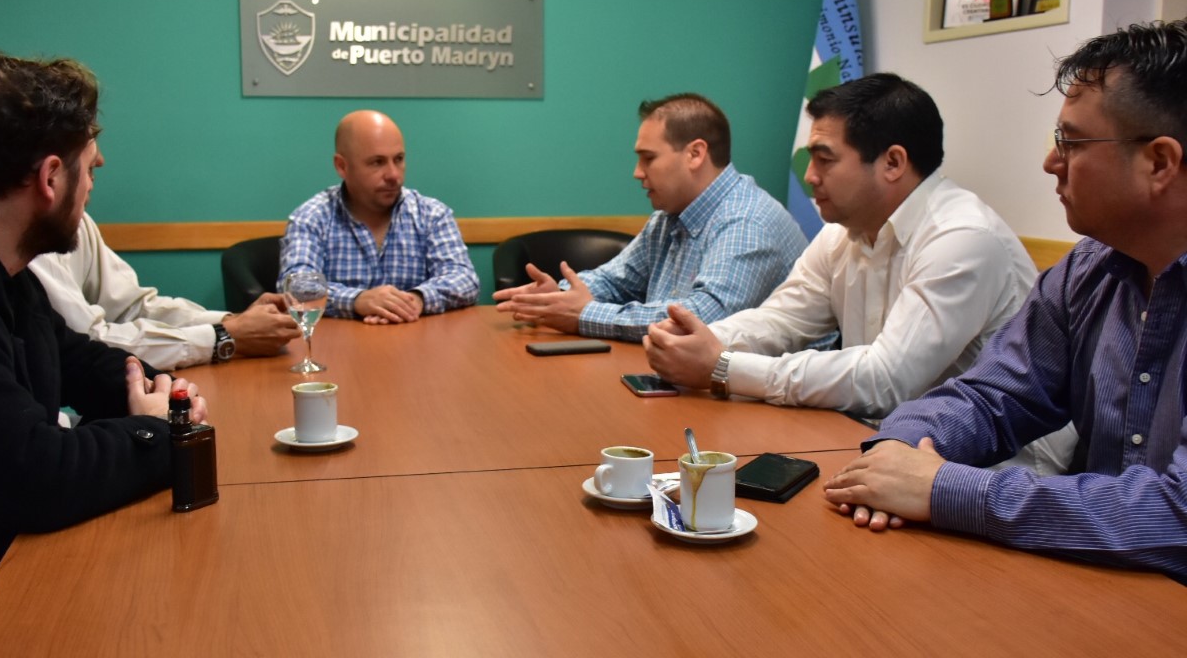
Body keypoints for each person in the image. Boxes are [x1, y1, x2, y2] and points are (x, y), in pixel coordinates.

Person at [822, 20, 1187, 580]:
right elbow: (991, 397)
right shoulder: (1086, 272)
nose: (1051, 162)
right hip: (1098, 590)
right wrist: (897, 453)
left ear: (1159, 162)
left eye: (1071, 142)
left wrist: (946, 489)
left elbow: (1175, 520)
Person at [0, 51, 209, 658]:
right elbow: (28, 473)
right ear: (50, 177)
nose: (93, 186)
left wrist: (164, 390)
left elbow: (73, 357)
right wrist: (153, 434)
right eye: (90, 169)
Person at [643, 74, 1072, 471]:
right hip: (884, 443)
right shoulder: (843, 232)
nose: (809, 176)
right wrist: (700, 339)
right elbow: (781, 320)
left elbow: (886, 380)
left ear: (893, 163)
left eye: (824, 159)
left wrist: (722, 366)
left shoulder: (963, 237)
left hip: (995, 471)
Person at [493, 93, 807, 342]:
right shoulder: (670, 215)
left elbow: (701, 321)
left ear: (695, 154)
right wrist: (557, 297)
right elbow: (615, 280)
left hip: (781, 408)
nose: (637, 173)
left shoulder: (747, 222)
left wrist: (585, 314)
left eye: (648, 159)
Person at [279, 110, 479, 324]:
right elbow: (295, 287)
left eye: (399, 159)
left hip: (416, 346)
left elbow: (465, 279)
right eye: (377, 162)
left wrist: (416, 299)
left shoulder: (431, 214)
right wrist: (356, 300)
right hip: (338, 349)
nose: (394, 175)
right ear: (342, 166)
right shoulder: (312, 217)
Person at [30, 212, 300, 371]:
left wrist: (230, 323)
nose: (102, 161)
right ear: (50, 174)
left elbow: (133, 305)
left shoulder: (77, 220)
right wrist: (223, 338)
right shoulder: (31, 249)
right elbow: (88, 345)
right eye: (88, 166)